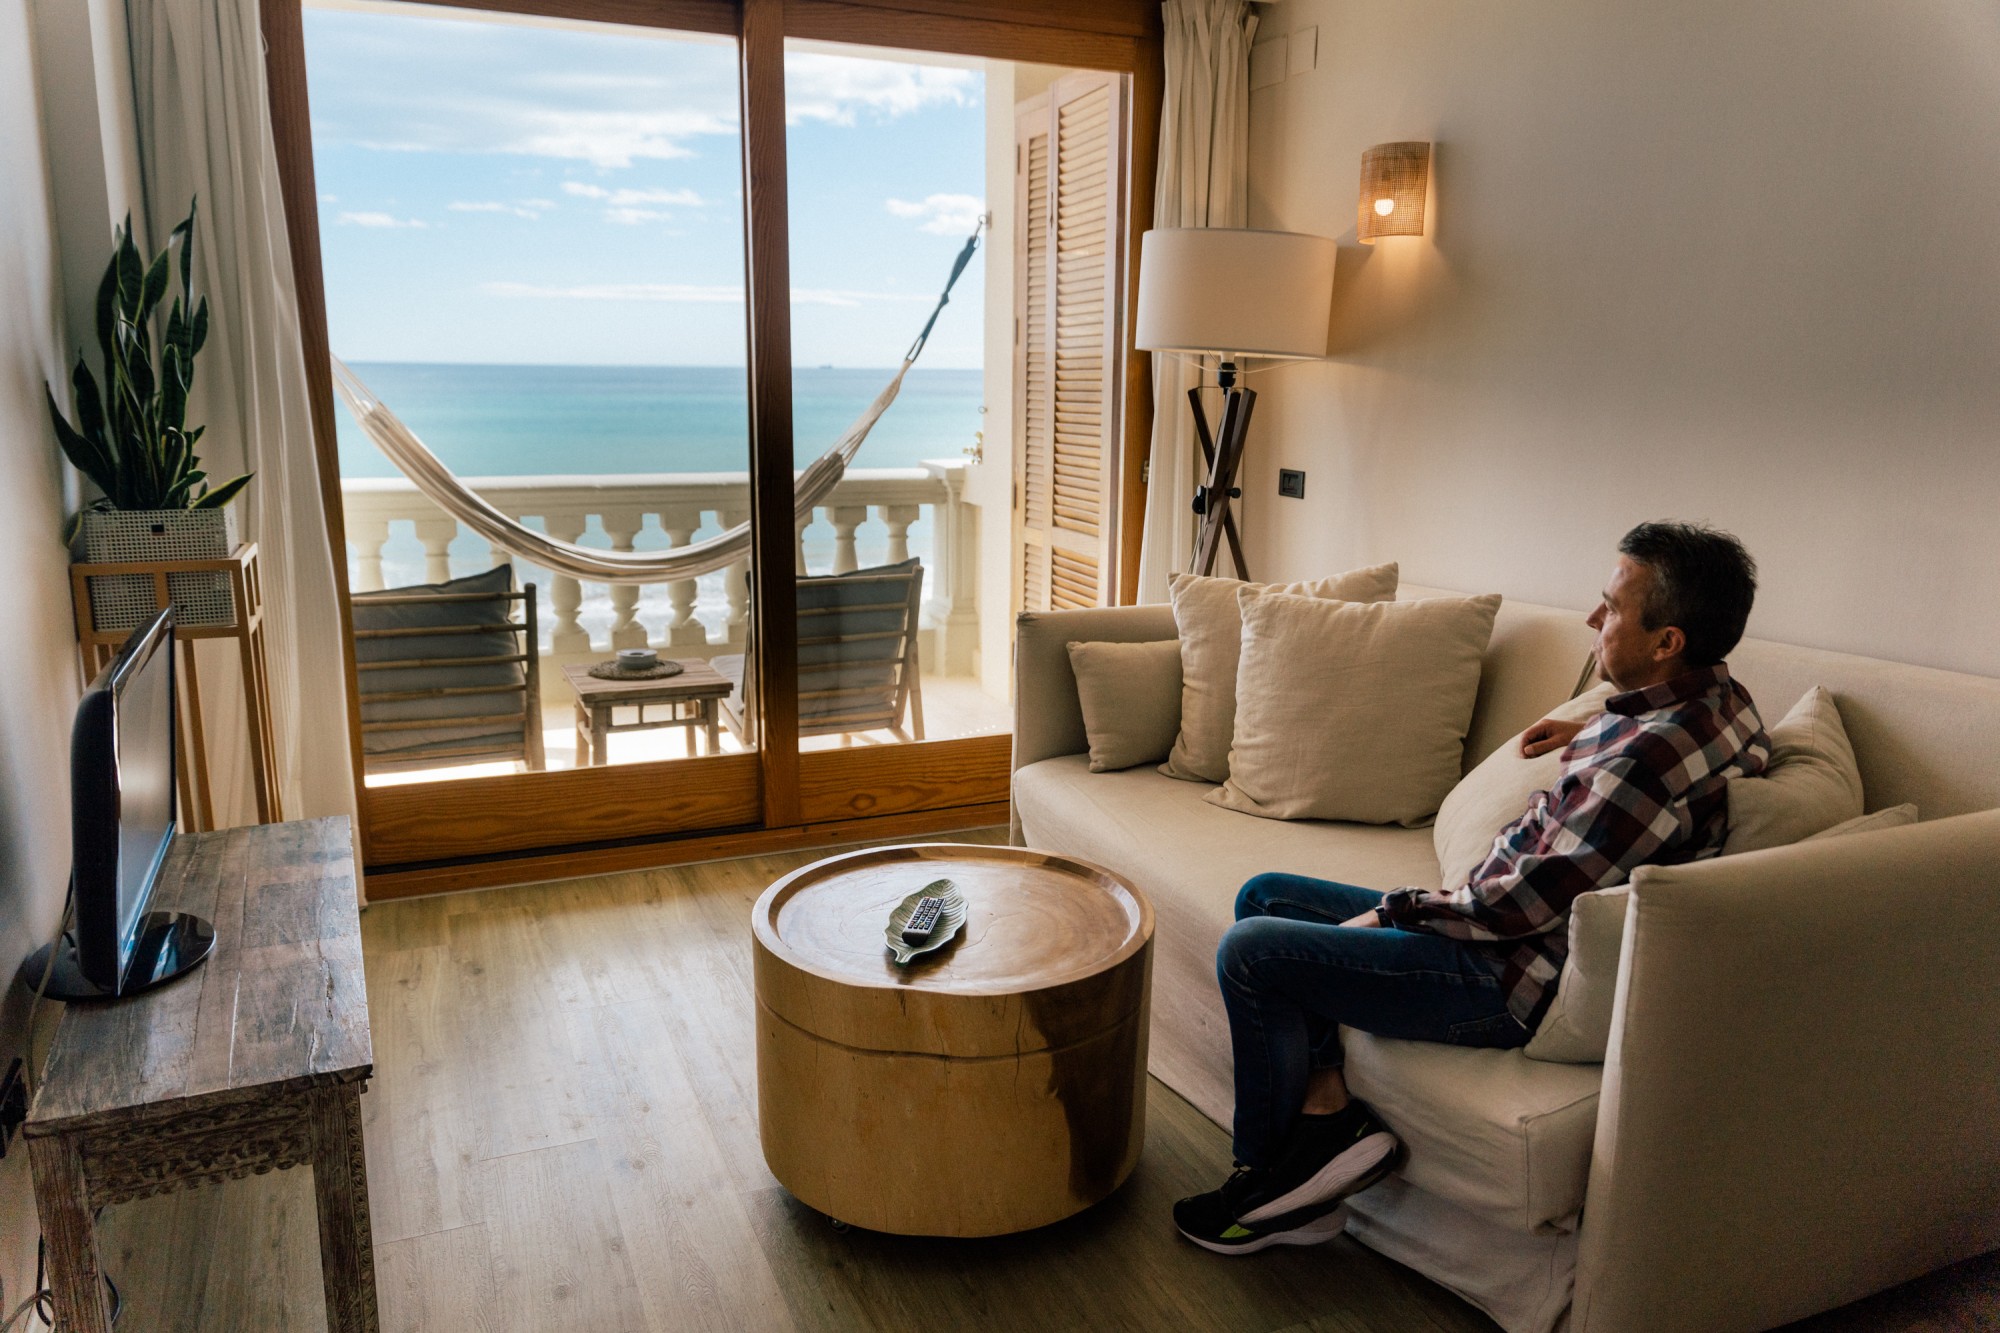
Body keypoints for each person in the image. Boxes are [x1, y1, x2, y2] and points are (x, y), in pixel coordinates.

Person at [1174, 521, 1772, 1254]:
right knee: (1266, 893)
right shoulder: (1727, 703)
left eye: (1611, 607)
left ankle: (1263, 1180)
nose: (1593, 618)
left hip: (1500, 976)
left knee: (1250, 951)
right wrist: (1580, 730)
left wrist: (1395, 910)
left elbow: (1515, 908)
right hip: (1496, 929)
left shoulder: (1640, 766)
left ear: (1667, 641)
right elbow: (1650, 759)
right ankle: (1326, 1122)